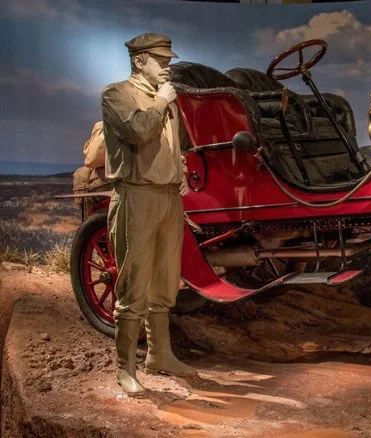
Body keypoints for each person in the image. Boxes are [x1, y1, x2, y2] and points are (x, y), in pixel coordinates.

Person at [101, 32, 195, 397]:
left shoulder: (165, 98)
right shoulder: (117, 94)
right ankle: (124, 368)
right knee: (133, 281)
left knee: (165, 279)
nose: (168, 66)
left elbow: (175, 144)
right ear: (139, 60)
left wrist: (180, 168)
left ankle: (160, 354)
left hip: (169, 198)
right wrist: (162, 104)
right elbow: (138, 131)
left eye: (169, 60)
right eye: (162, 60)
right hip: (136, 197)